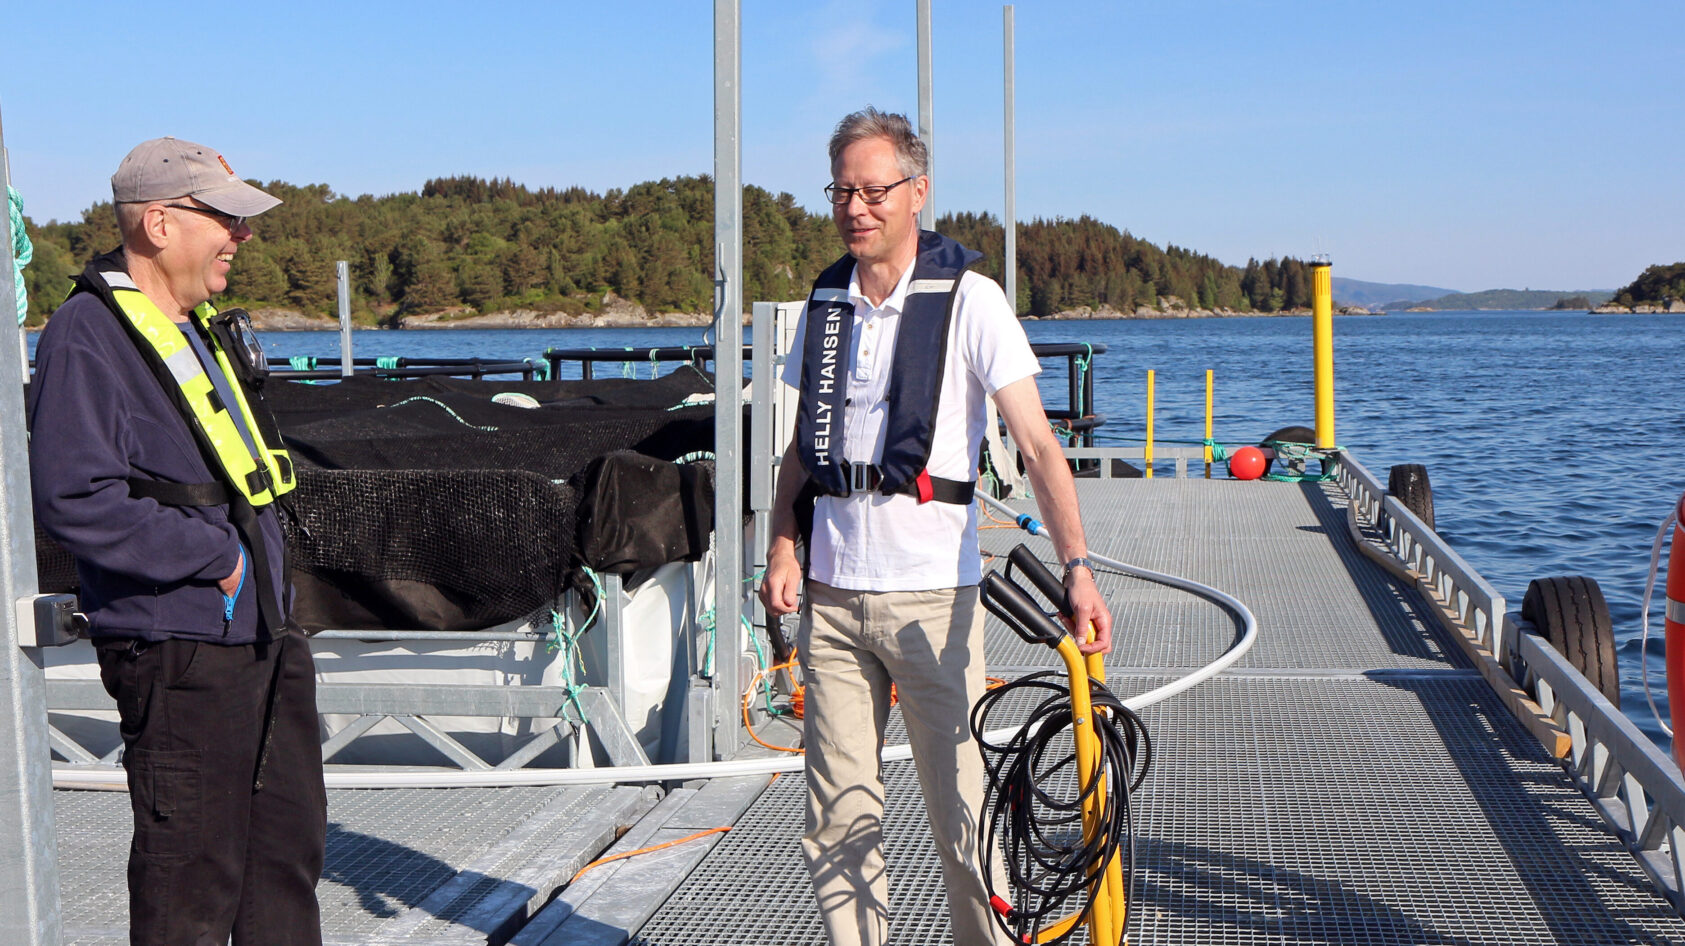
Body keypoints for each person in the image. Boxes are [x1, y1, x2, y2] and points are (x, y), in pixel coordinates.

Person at [758, 107, 1114, 946]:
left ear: (916, 192)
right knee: (837, 820)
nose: (857, 207)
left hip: (931, 602)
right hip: (832, 600)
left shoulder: (971, 300)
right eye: (842, 190)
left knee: (963, 818)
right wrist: (781, 540)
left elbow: (1036, 444)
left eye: (875, 190)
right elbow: (798, 450)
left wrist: (1077, 566)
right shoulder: (823, 306)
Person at [29, 137, 325, 945]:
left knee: (283, 861)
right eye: (225, 217)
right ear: (159, 223)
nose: (243, 235)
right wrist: (216, 561)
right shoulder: (88, 335)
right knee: (191, 878)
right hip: (181, 648)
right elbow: (74, 497)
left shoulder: (197, 330)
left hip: (262, 635)